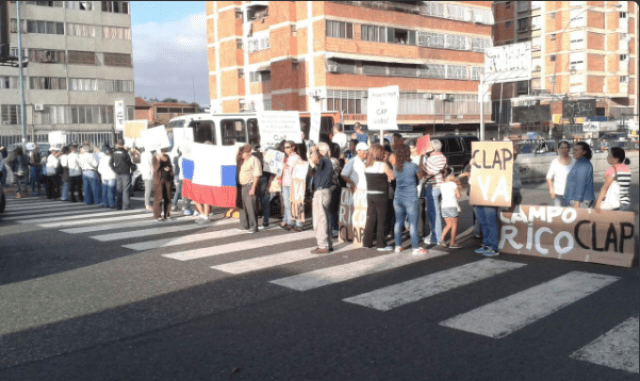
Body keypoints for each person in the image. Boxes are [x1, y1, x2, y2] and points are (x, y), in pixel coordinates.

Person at [392, 144, 427, 255]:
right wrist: (421, 158)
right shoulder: (413, 166)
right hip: (411, 197)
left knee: (398, 222)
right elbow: (420, 177)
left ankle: (398, 246)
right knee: (412, 223)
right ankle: (415, 248)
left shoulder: (395, 167)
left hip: (398, 197)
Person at [362, 144, 394, 251]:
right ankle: (381, 244)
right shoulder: (383, 165)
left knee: (371, 218)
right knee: (382, 219)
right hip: (381, 195)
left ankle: (366, 242)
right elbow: (392, 176)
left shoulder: (367, 165)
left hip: (370, 194)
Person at [309, 142, 333, 254]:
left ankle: (323, 245)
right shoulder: (326, 162)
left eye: (318, 151)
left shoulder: (324, 160)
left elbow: (315, 160)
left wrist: (314, 150)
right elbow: (312, 171)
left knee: (320, 220)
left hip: (321, 192)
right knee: (325, 219)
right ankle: (328, 243)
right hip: (325, 191)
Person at [422, 139, 447, 245]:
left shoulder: (430, 159)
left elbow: (428, 174)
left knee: (433, 213)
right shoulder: (443, 157)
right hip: (442, 185)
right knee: (438, 212)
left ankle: (436, 237)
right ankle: (436, 234)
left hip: (434, 186)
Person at [595, 147, 632, 212]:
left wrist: (598, 203)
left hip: (614, 204)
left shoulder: (611, 170)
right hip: (625, 202)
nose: (608, 158)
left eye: (610, 156)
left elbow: (605, 187)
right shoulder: (627, 169)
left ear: (616, 159)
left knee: (608, 221)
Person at [279, 141, 304, 231]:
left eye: (288, 147)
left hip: (294, 183)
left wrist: (287, 167)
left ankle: (299, 224)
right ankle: (290, 222)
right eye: (285, 147)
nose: (286, 149)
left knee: (296, 203)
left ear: (293, 147)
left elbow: (300, 170)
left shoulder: (297, 157)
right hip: (285, 183)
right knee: (287, 204)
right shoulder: (286, 157)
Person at [237, 144, 262, 233]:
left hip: (250, 185)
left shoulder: (254, 160)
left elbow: (256, 175)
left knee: (251, 207)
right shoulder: (243, 160)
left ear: (248, 152)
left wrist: (253, 188)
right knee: (243, 206)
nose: (241, 154)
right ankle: (244, 225)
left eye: (243, 152)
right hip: (243, 186)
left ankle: (254, 226)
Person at [563, 141, 594, 209]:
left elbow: (581, 182)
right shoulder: (579, 163)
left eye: (577, 150)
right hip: (576, 199)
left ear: (584, 152)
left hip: (580, 201)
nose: (574, 152)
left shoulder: (583, 164)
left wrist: (577, 201)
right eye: (573, 150)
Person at [109, 139, 136, 210]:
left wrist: (114, 169)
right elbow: (129, 162)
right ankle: (126, 206)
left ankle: (118, 206)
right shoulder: (125, 153)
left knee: (119, 189)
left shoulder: (114, 153)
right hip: (125, 172)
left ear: (117, 144)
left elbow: (110, 163)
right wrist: (134, 167)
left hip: (118, 173)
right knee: (126, 189)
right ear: (123, 144)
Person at [546, 141, 575, 207]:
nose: (564, 150)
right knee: (557, 214)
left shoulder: (574, 162)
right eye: (561, 148)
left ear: (569, 149)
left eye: (566, 148)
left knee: (570, 214)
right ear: (558, 149)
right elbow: (549, 177)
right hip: (557, 193)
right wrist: (551, 189)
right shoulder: (554, 162)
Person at [439, 167, 461, 249]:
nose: (454, 176)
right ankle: (453, 243)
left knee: (448, 224)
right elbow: (458, 196)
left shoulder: (442, 185)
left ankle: (441, 239)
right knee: (455, 224)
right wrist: (458, 186)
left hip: (444, 206)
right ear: (450, 175)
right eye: (453, 174)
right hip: (452, 205)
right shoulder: (453, 184)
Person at [153, 151, 174, 221]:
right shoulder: (155, 157)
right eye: (162, 151)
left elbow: (170, 166)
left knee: (168, 197)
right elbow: (155, 169)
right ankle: (158, 215)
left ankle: (167, 214)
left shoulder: (167, 157)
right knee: (159, 198)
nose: (163, 153)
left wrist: (169, 169)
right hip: (159, 180)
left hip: (168, 179)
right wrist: (159, 160)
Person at [139, 147, 154, 211]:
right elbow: (152, 164)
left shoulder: (142, 154)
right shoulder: (149, 155)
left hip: (144, 173)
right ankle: (147, 204)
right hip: (149, 174)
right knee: (148, 190)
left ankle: (147, 204)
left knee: (147, 189)